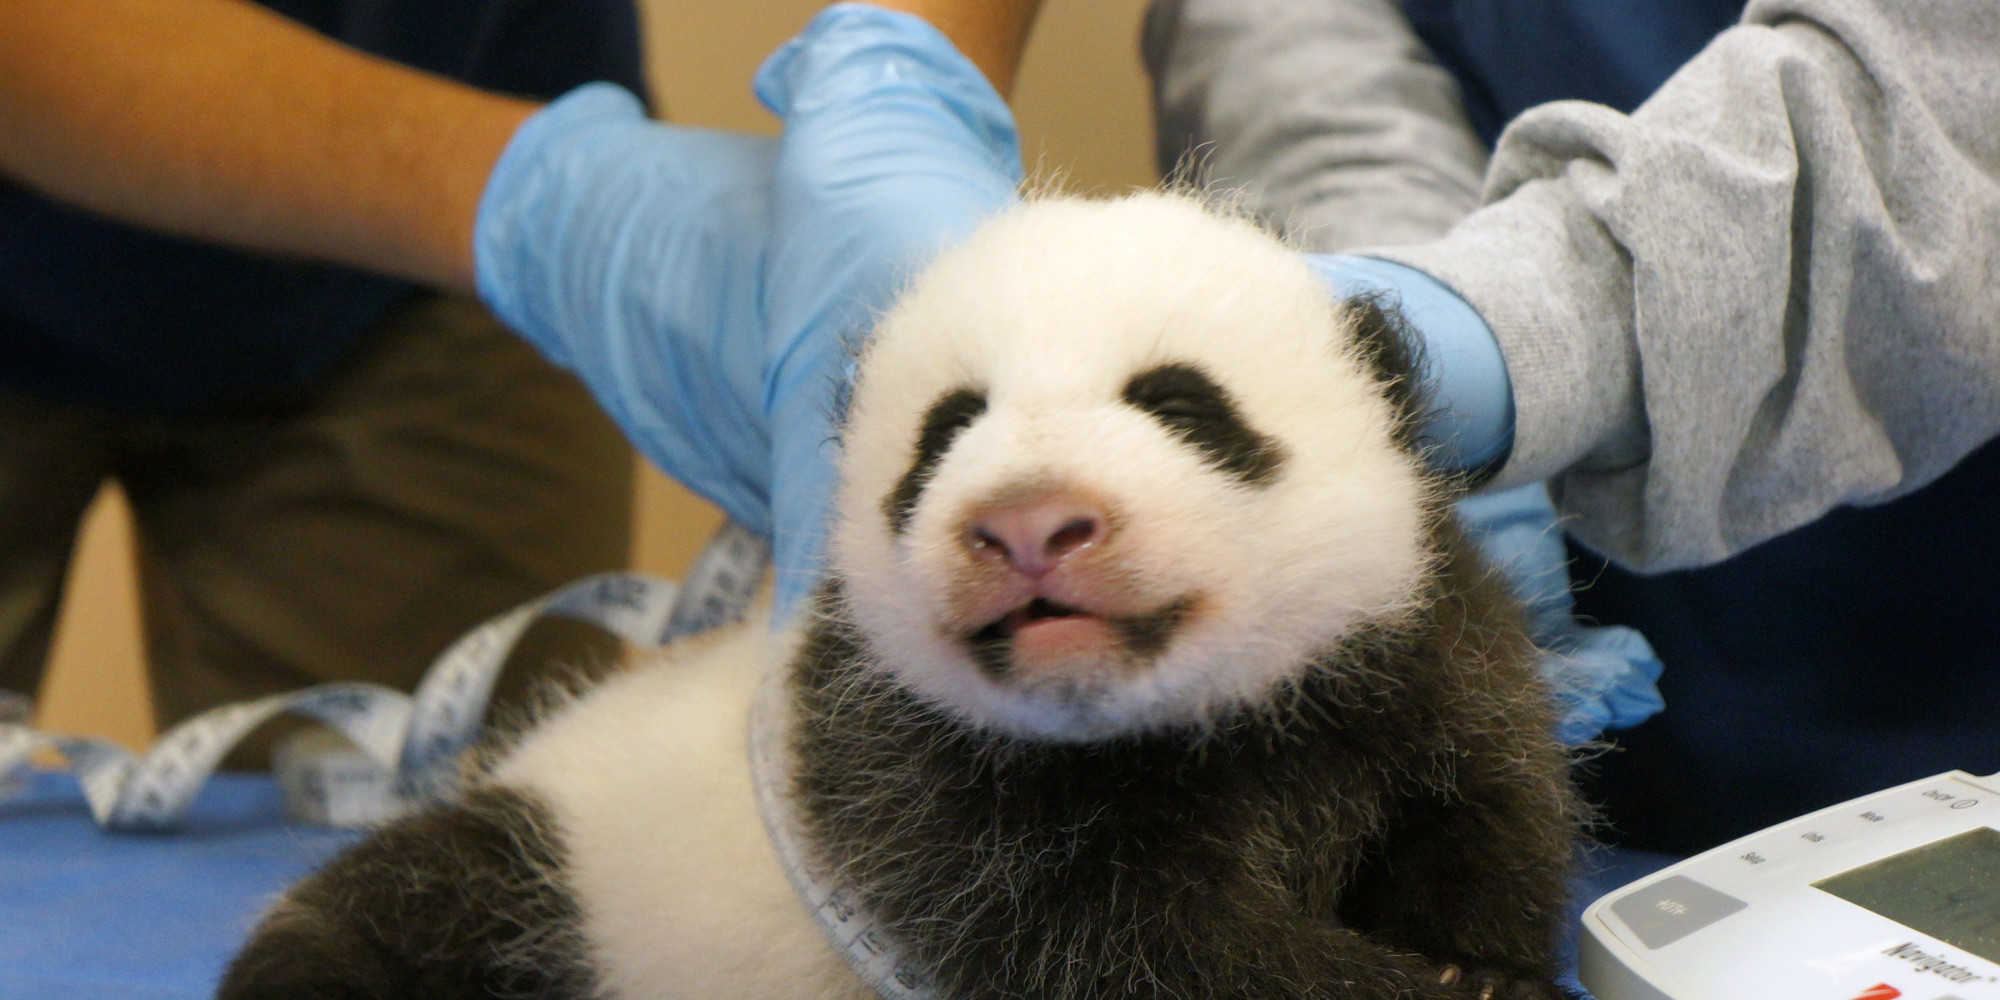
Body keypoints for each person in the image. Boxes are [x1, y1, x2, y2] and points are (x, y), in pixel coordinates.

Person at [0, 0, 1035, 756]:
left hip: (439, 240)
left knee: (432, 877)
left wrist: (908, 79)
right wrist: (550, 206)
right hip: (453, 186)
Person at [1141, 0, 2000, 854]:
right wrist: (1393, 274)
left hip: (1935, 638)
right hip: (1543, 691)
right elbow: (1296, 36)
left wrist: (1532, 319)